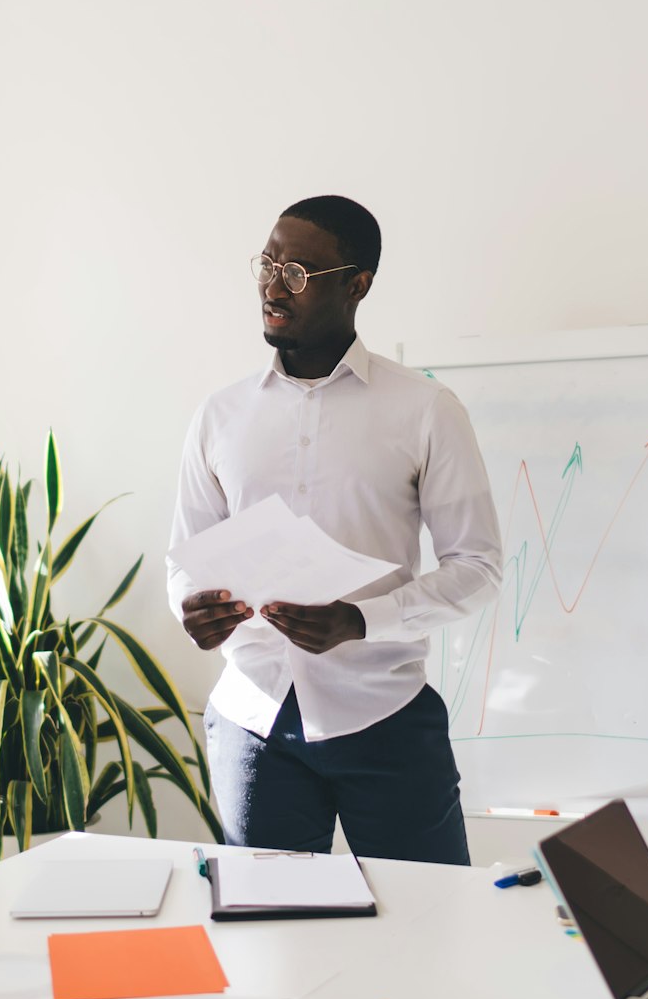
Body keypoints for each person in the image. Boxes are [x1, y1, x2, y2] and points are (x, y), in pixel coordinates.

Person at [167, 196, 502, 864]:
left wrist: (362, 621)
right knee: (267, 943)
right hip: (251, 722)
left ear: (357, 284)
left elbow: (478, 567)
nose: (270, 285)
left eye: (296, 272)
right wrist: (189, 607)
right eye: (266, 264)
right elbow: (185, 558)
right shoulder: (220, 415)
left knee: (427, 929)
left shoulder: (425, 409)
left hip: (385, 716)